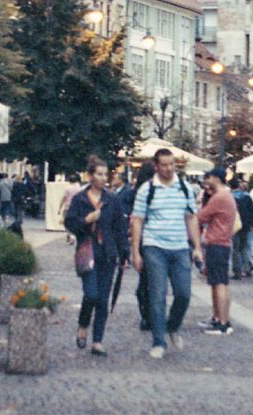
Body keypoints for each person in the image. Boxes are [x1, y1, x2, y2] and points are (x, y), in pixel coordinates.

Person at [130, 148, 202, 359]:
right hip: (155, 247)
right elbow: (138, 220)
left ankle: (172, 325)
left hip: (180, 247)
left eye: (172, 164)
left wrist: (197, 246)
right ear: (156, 166)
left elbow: (191, 217)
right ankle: (159, 341)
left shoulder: (184, 187)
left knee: (183, 294)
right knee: (157, 295)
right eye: (164, 165)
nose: (169, 168)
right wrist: (136, 252)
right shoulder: (147, 189)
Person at [65, 156, 129, 356]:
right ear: (90, 176)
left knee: (103, 299)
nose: (103, 178)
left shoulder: (112, 200)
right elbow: (70, 223)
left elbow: (120, 229)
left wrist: (124, 253)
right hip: (87, 251)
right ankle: (83, 324)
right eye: (99, 174)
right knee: (91, 294)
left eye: (105, 174)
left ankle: (98, 341)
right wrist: (87, 219)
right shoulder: (80, 199)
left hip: (107, 254)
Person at [196, 167, 237, 335]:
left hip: (217, 242)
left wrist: (200, 203)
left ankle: (223, 322)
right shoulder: (226, 196)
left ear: (217, 179)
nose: (207, 181)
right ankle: (219, 318)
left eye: (209, 177)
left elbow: (201, 216)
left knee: (219, 283)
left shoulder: (219, 197)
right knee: (220, 282)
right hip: (223, 242)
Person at [127, 161, 156, 331]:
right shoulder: (151, 191)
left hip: (142, 240)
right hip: (152, 239)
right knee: (151, 282)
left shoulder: (134, 193)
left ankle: (147, 316)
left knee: (145, 282)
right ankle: (151, 316)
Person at [230, 177, 253, 279]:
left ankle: (238, 271)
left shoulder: (231, 197)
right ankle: (247, 269)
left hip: (235, 225)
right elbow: (252, 212)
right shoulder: (247, 197)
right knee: (245, 247)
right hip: (246, 225)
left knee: (236, 248)